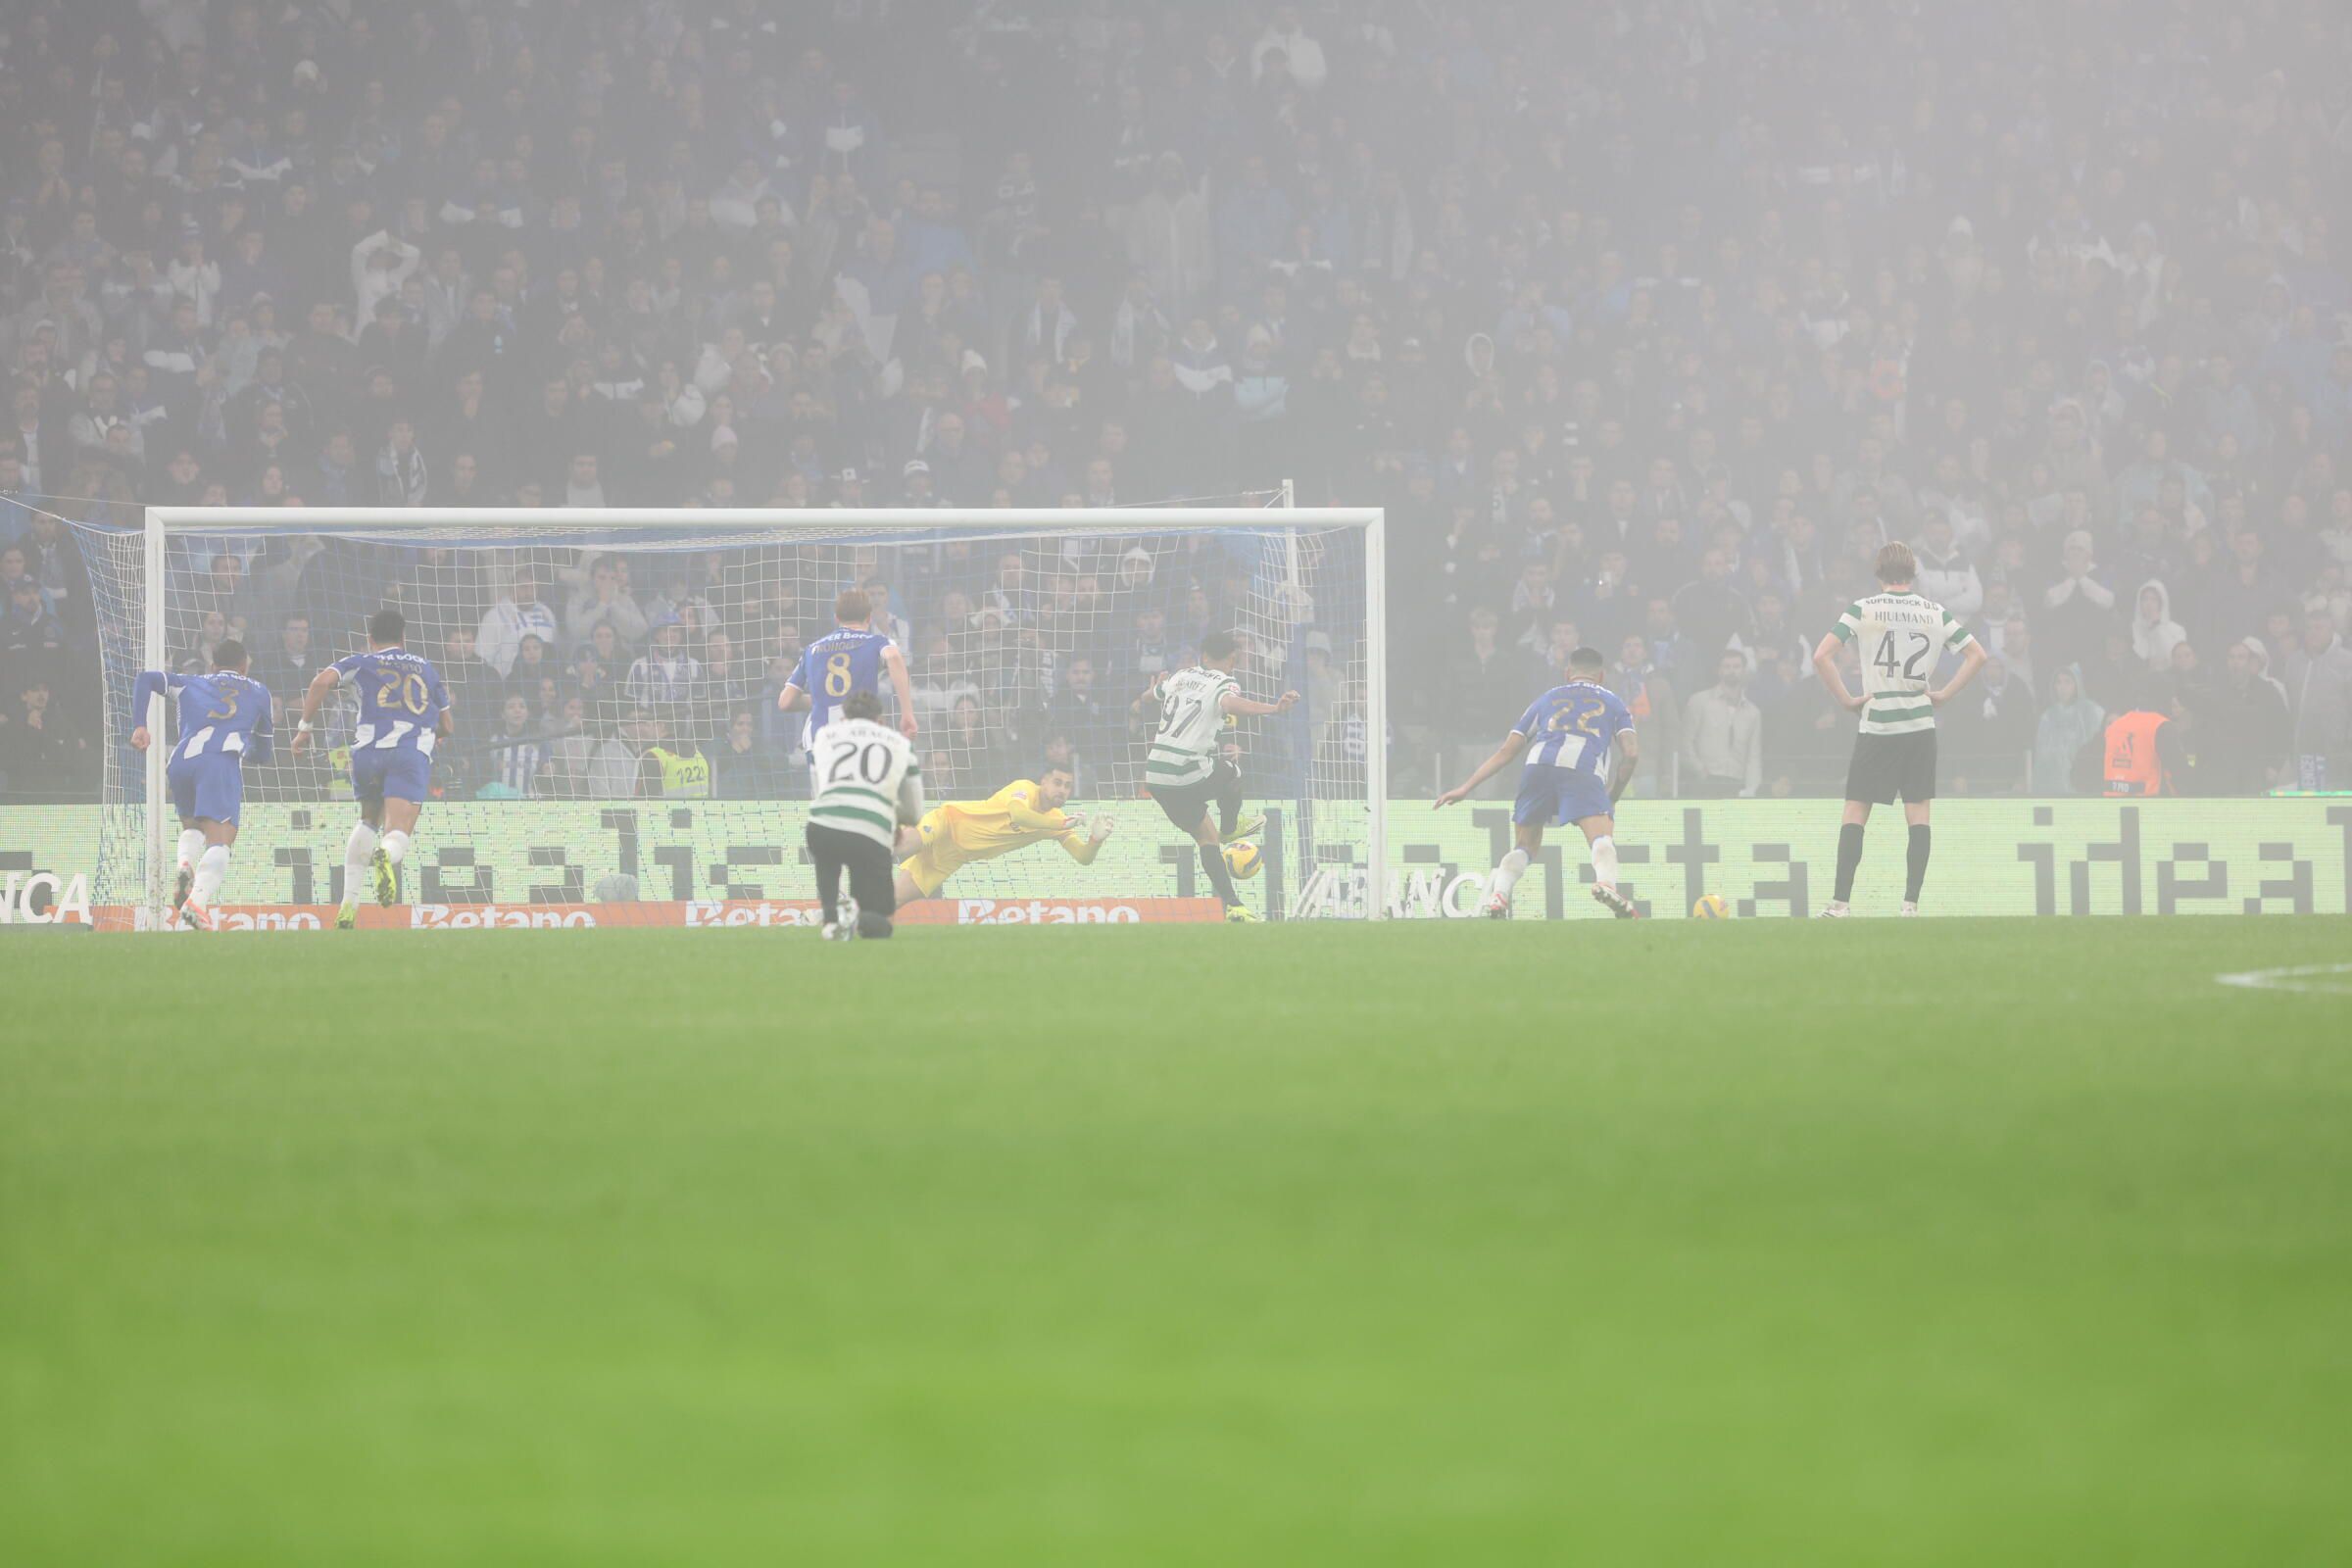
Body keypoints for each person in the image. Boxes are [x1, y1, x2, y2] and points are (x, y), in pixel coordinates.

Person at [1810, 542, 1987, 917]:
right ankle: (1910, 905)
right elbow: (1977, 655)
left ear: (1879, 573)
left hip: (1878, 724)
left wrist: (1846, 699)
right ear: (1913, 573)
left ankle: (1840, 904)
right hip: (1920, 724)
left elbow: (1821, 655)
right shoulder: (1934, 612)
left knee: (1856, 810)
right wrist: (1944, 694)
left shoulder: (1863, 609)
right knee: (1918, 813)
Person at [1436, 645, 1641, 919]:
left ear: (1567, 673)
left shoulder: (1546, 699)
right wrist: (1613, 795)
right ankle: (1606, 884)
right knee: (1601, 837)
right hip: (1581, 768)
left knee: (1525, 845)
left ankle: (1499, 895)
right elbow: (1631, 753)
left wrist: (1465, 787)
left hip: (1537, 766)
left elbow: (1507, 750)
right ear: (1601, 676)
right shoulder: (1614, 703)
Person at [291, 608, 453, 929]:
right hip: (408, 753)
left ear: (370, 639)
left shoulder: (359, 662)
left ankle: (348, 905)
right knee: (398, 829)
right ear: (403, 637)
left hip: (367, 753)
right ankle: (385, 855)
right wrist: (434, 732)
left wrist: (305, 728)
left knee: (368, 820)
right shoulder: (425, 668)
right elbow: (447, 724)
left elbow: (320, 682)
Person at [1136, 630, 1295, 923]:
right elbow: (1230, 704)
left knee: (1207, 838)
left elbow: (1151, 695)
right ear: (1232, 659)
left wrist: (1145, 695)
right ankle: (1232, 827)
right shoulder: (1224, 682)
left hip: (1156, 775)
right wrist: (1274, 708)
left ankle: (1235, 906)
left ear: (1203, 655)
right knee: (1232, 771)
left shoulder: (1180, 676)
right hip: (1185, 770)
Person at [127, 641, 272, 929]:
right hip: (219, 763)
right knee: (221, 840)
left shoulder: (189, 682)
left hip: (181, 761)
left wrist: (140, 725)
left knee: (193, 826)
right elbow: (264, 754)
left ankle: (185, 863)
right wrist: (246, 747)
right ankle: (196, 903)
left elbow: (146, 679)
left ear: (213, 666)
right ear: (244, 666)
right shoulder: (258, 691)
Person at [891, 760, 1115, 906]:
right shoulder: (1025, 789)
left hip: (951, 858)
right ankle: (873, 843)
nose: (1062, 790)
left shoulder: (1057, 821)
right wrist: (1061, 823)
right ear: (1044, 782)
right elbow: (1019, 815)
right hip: (948, 822)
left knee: (891, 901)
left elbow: (1083, 857)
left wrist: (1095, 840)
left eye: (1067, 786)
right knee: (905, 845)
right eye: (1057, 783)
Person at [807, 691, 925, 940]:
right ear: (880, 720)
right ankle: (854, 916)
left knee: (827, 860)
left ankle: (831, 916)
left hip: (821, 825)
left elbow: (819, 789)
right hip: (870, 832)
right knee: (880, 923)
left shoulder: (825, 735)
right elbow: (915, 811)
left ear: (844, 719)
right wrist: (893, 819)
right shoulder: (900, 744)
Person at [776, 590, 917, 780]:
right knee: (859, 793)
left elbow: (785, 702)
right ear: (868, 618)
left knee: (827, 795)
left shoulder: (812, 649)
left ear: (837, 618)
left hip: (818, 739)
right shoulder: (877, 642)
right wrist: (907, 712)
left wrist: (823, 699)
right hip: (858, 735)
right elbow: (893, 656)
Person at [1679, 649, 1764, 798]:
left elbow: (1754, 756)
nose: (1732, 671)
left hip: (1737, 783)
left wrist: (1752, 789)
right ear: (1718, 670)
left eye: (1736, 666)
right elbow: (1684, 742)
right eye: (1727, 666)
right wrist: (1700, 770)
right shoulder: (1699, 701)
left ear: (1744, 671)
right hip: (1704, 781)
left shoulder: (1753, 713)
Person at [2033, 666, 2106, 795]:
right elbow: (2041, 755)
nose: (2062, 687)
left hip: (2084, 780)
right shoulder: (2048, 716)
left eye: (2068, 682)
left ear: (2077, 684)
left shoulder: (2092, 712)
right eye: (2058, 682)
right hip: (2053, 784)